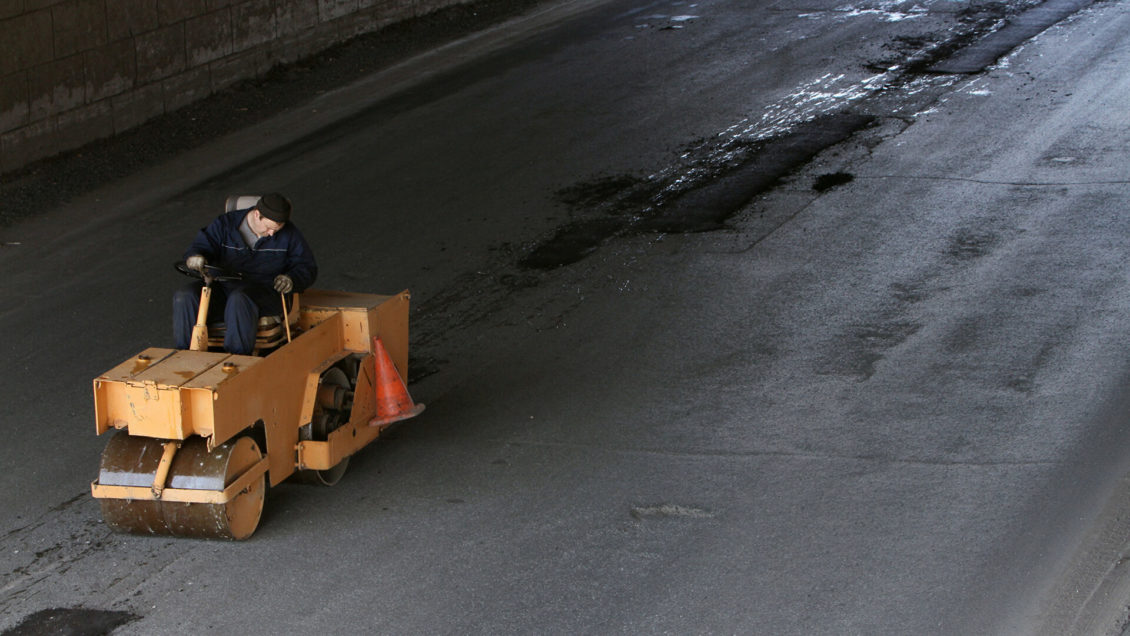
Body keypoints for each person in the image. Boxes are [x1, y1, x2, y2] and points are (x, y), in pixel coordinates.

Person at [173, 193, 317, 354]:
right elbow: (201, 245)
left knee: (240, 298)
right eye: (268, 228)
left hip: (266, 293)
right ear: (257, 215)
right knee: (185, 295)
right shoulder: (225, 225)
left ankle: (237, 359)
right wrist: (196, 256)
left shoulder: (290, 234)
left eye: (277, 229)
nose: (271, 234)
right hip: (223, 287)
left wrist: (291, 279)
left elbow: (306, 267)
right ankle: (184, 355)